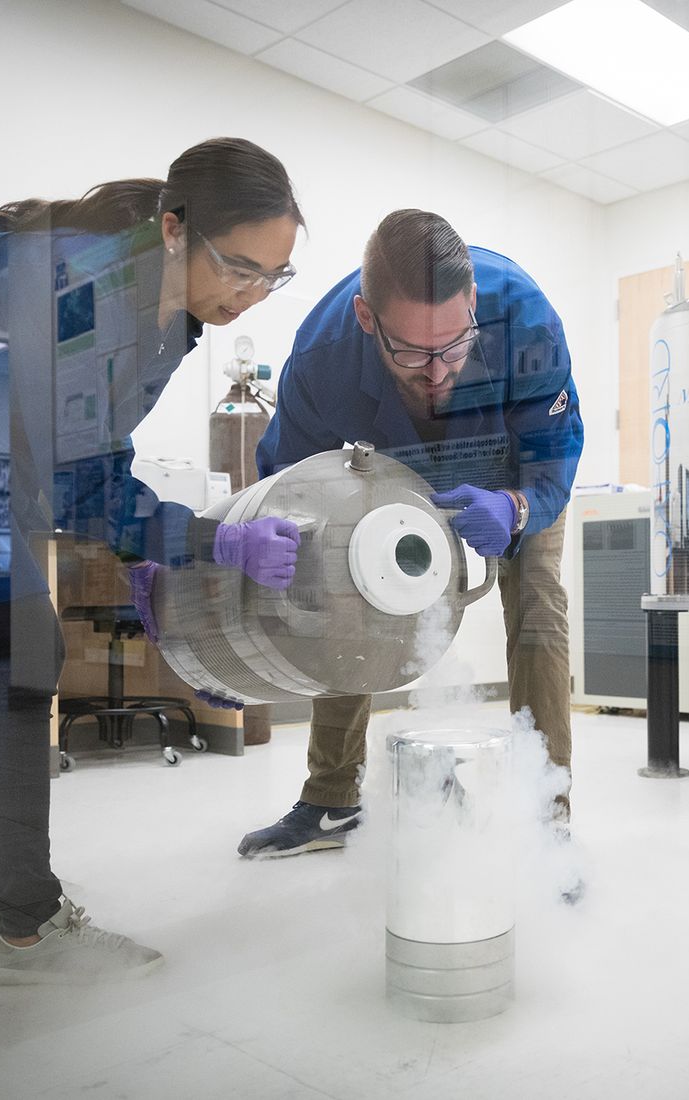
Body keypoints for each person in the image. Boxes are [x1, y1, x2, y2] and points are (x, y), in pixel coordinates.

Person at [0, 138, 305, 984]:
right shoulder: (89, 287)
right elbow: (85, 484)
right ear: (173, 230)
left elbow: (93, 454)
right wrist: (203, 541)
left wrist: (156, 549)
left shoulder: (166, 316)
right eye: (239, 266)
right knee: (20, 655)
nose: (252, 293)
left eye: (273, 276)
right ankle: (29, 931)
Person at [234, 209, 584, 859]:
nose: (436, 371)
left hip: (510, 473)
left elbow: (554, 452)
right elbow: (290, 483)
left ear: (473, 303)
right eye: (411, 353)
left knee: (537, 599)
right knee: (338, 582)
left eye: (452, 348)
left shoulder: (527, 320)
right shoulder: (321, 359)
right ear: (367, 319)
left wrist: (516, 508)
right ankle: (332, 801)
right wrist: (278, 547)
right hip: (392, 468)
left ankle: (546, 821)